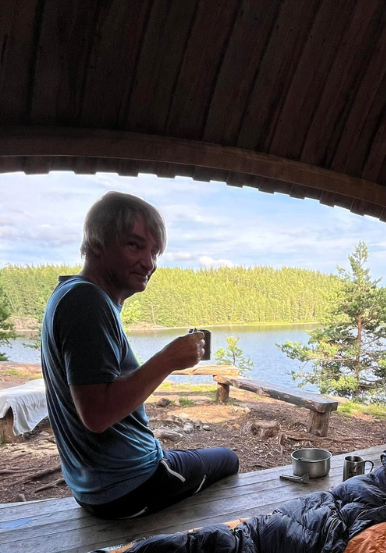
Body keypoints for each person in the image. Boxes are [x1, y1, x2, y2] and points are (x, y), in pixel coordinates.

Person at [41, 191, 239, 519]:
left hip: (93, 486)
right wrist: (168, 359)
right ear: (96, 244)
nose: (149, 263)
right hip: (130, 487)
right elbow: (97, 414)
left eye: (155, 252)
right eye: (135, 245)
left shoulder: (70, 294)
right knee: (229, 458)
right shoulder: (86, 302)